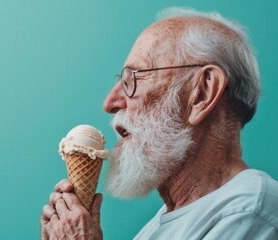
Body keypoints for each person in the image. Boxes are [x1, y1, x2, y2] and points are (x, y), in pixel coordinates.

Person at [40, 7, 278, 240]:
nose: (110, 102)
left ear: (203, 93)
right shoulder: (163, 220)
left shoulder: (250, 211)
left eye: (134, 78)